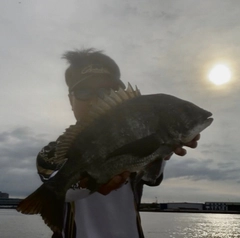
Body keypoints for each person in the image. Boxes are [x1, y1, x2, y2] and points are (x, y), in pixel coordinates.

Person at [36, 48, 200, 238]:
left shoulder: (136, 138)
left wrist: (164, 149)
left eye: (107, 90)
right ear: (70, 100)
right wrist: (88, 184)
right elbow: (62, 188)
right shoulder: (53, 153)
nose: (96, 98)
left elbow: (151, 177)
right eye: (83, 91)